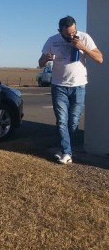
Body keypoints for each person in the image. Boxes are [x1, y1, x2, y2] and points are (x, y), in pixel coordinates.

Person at [38, 15, 103, 164]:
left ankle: (63, 149)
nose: (71, 36)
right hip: (59, 86)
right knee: (62, 120)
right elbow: (40, 63)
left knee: (73, 122)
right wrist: (45, 59)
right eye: (68, 34)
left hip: (79, 86)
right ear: (59, 31)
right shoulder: (51, 40)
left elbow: (100, 59)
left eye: (73, 32)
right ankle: (67, 153)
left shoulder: (84, 37)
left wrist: (83, 48)